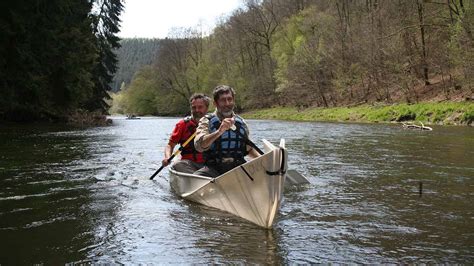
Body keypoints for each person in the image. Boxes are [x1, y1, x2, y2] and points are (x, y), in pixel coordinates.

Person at [193, 85, 260, 177]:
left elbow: (249, 149)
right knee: (197, 177)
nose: (227, 103)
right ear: (215, 103)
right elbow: (199, 146)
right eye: (223, 100)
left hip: (238, 167)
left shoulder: (241, 122)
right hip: (213, 169)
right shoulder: (206, 121)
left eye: (229, 99)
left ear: (233, 101)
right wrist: (219, 132)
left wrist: (263, 161)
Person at [162, 93, 210, 173]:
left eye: (200, 107)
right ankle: (198, 177)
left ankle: (201, 176)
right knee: (177, 165)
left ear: (207, 108)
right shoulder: (182, 125)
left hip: (209, 164)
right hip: (189, 164)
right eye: (194, 107)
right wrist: (167, 157)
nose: (197, 110)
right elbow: (170, 145)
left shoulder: (214, 123)